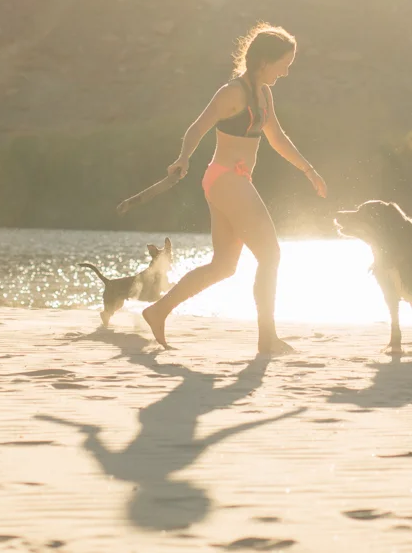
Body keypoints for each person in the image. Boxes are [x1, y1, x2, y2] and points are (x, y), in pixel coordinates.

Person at [118, 23, 326, 354]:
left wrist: (309, 171)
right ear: (264, 61)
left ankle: (157, 311)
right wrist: (183, 158)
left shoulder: (264, 94)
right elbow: (198, 126)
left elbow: (277, 138)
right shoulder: (232, 92)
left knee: (224, 265)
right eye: (284, 63)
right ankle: (267, 338)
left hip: (233, 182)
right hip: (226, 178)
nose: (286, 72)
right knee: (270, 255)